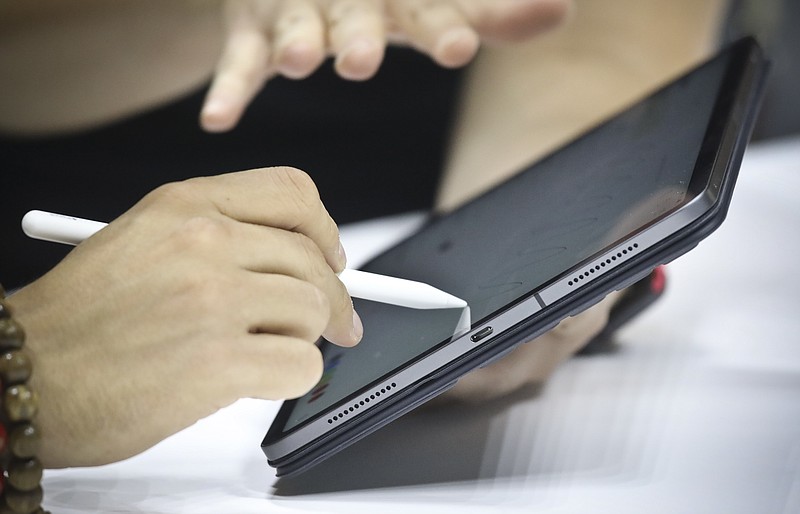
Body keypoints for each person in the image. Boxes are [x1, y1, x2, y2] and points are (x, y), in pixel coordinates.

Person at [0, 0, 734, 490]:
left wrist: (542, 235)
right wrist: (29, 377)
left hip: (405, 233)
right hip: (75, 275)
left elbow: (586, 28)